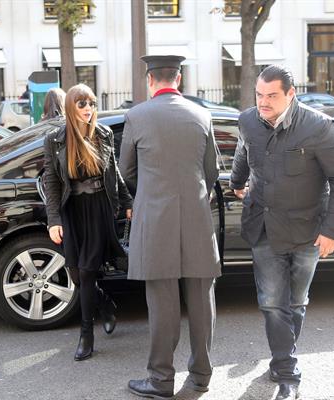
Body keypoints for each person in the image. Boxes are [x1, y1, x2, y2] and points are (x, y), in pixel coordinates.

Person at [230, 65, 334, 400]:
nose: (263, 102)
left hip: (307, 231)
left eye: (271, 95)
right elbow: (243, 153)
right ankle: (287, 370)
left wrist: (333, 230)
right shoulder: (247, 121)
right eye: (259, 94)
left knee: (296, 302)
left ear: (290, 94)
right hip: (263, 227)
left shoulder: (319, 127)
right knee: (273, 302)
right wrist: (236, 183)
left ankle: (282, 356)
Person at [119, 55, 221, 398]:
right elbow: (212, 172)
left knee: (162, 303)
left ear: (151, 81)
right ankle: (201, 375)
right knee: (202, 300)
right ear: (179, 79)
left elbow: (127, 172)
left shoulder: (136, 116)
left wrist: (149, 194)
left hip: (156, 220)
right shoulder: (202, 115)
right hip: (196, 216)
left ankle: (161, 380)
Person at [43, 83, 133, 361]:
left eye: (91, 104)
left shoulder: (103, 134)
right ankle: (105, 304)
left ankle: (86, 336)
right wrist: (53, 218)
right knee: (76, 273)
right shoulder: (56, 139)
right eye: (82, 104)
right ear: (71, 107)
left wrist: (128, 202)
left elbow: (114, 173)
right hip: (72, 211)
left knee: (86, 272)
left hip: (98, 209)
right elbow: (52, 181)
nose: (88, 109)